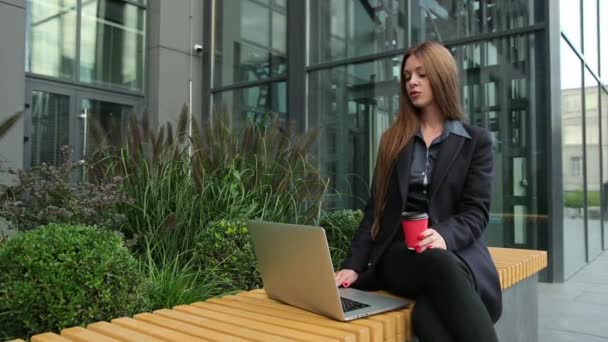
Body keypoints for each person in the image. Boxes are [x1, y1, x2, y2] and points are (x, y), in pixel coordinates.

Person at [334, 41, 501, 342]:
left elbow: (476, 212)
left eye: (422, 74)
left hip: (457, 254)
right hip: (401, 258)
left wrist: (444, 236)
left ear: (441, 76)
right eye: (408, 75)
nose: (412, 81)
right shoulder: (392, 140)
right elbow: (376, 209)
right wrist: (353, 265)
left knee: (426, 317)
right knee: (437, 263)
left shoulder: (476, 141)